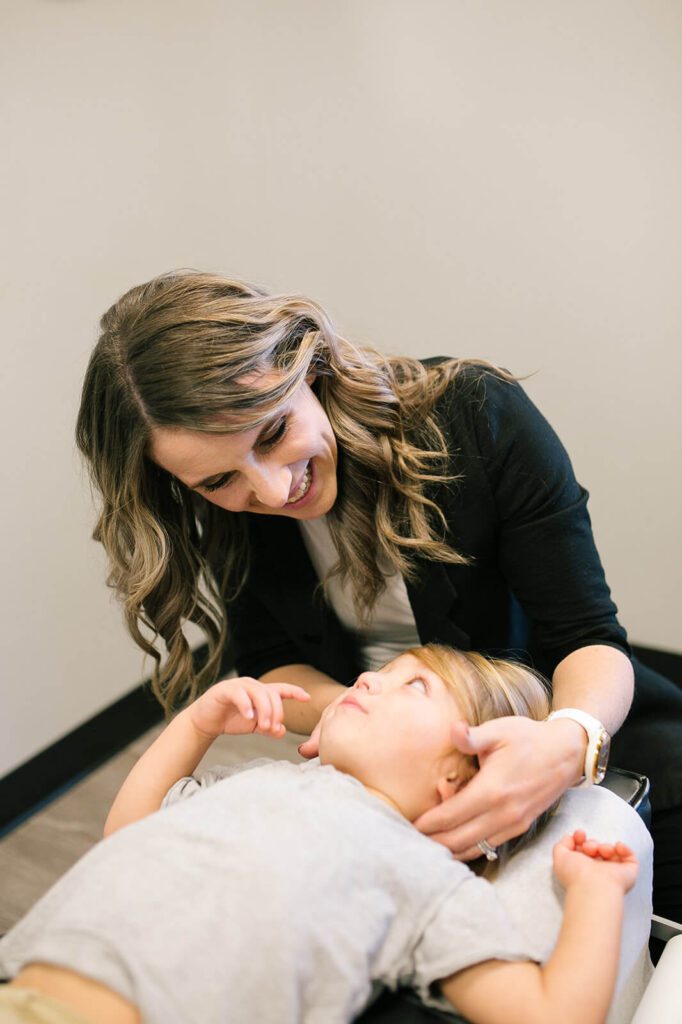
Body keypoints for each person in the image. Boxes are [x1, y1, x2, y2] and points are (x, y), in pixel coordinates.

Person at [74, 270, 682, 925]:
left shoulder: (479, 418)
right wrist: (384, 731)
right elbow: (273, 660)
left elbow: (587, 637)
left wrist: (567, 742)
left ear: (307, 365)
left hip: (584, 722)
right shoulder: (220, 511)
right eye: (221, 479)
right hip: (395, 768)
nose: (274, 494)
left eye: (274, 434)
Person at [0, 646, 652, 1024]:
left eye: (413, 685)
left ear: (464, 775)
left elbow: (549, 1016)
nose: (367, 678)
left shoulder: (428, 880)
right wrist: (196, 725)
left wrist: (597, 890)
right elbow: (126, 835)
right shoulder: (260, 778)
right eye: (384, 671)